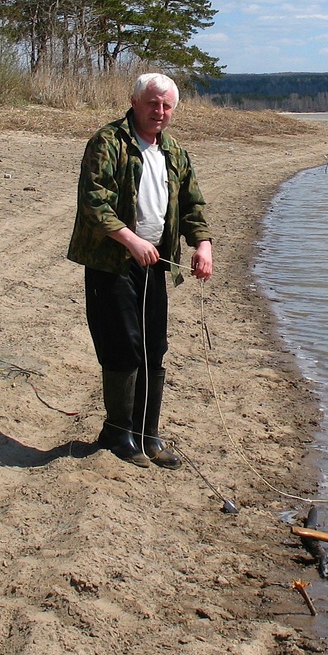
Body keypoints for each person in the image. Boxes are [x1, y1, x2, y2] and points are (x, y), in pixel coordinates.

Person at [67, 72, 213, 469]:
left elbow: (192, 203)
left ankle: (149, 434)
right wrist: (130, 239)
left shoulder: (174, 151)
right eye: (153, 104)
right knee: (123, 347)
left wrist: (202, 244)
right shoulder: (108, 141)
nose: (159, 112)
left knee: (154, 348)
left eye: (167, 106)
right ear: (135, 102)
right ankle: (119, 432)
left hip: (155, 264)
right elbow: (95, 203)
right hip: (111, 261)